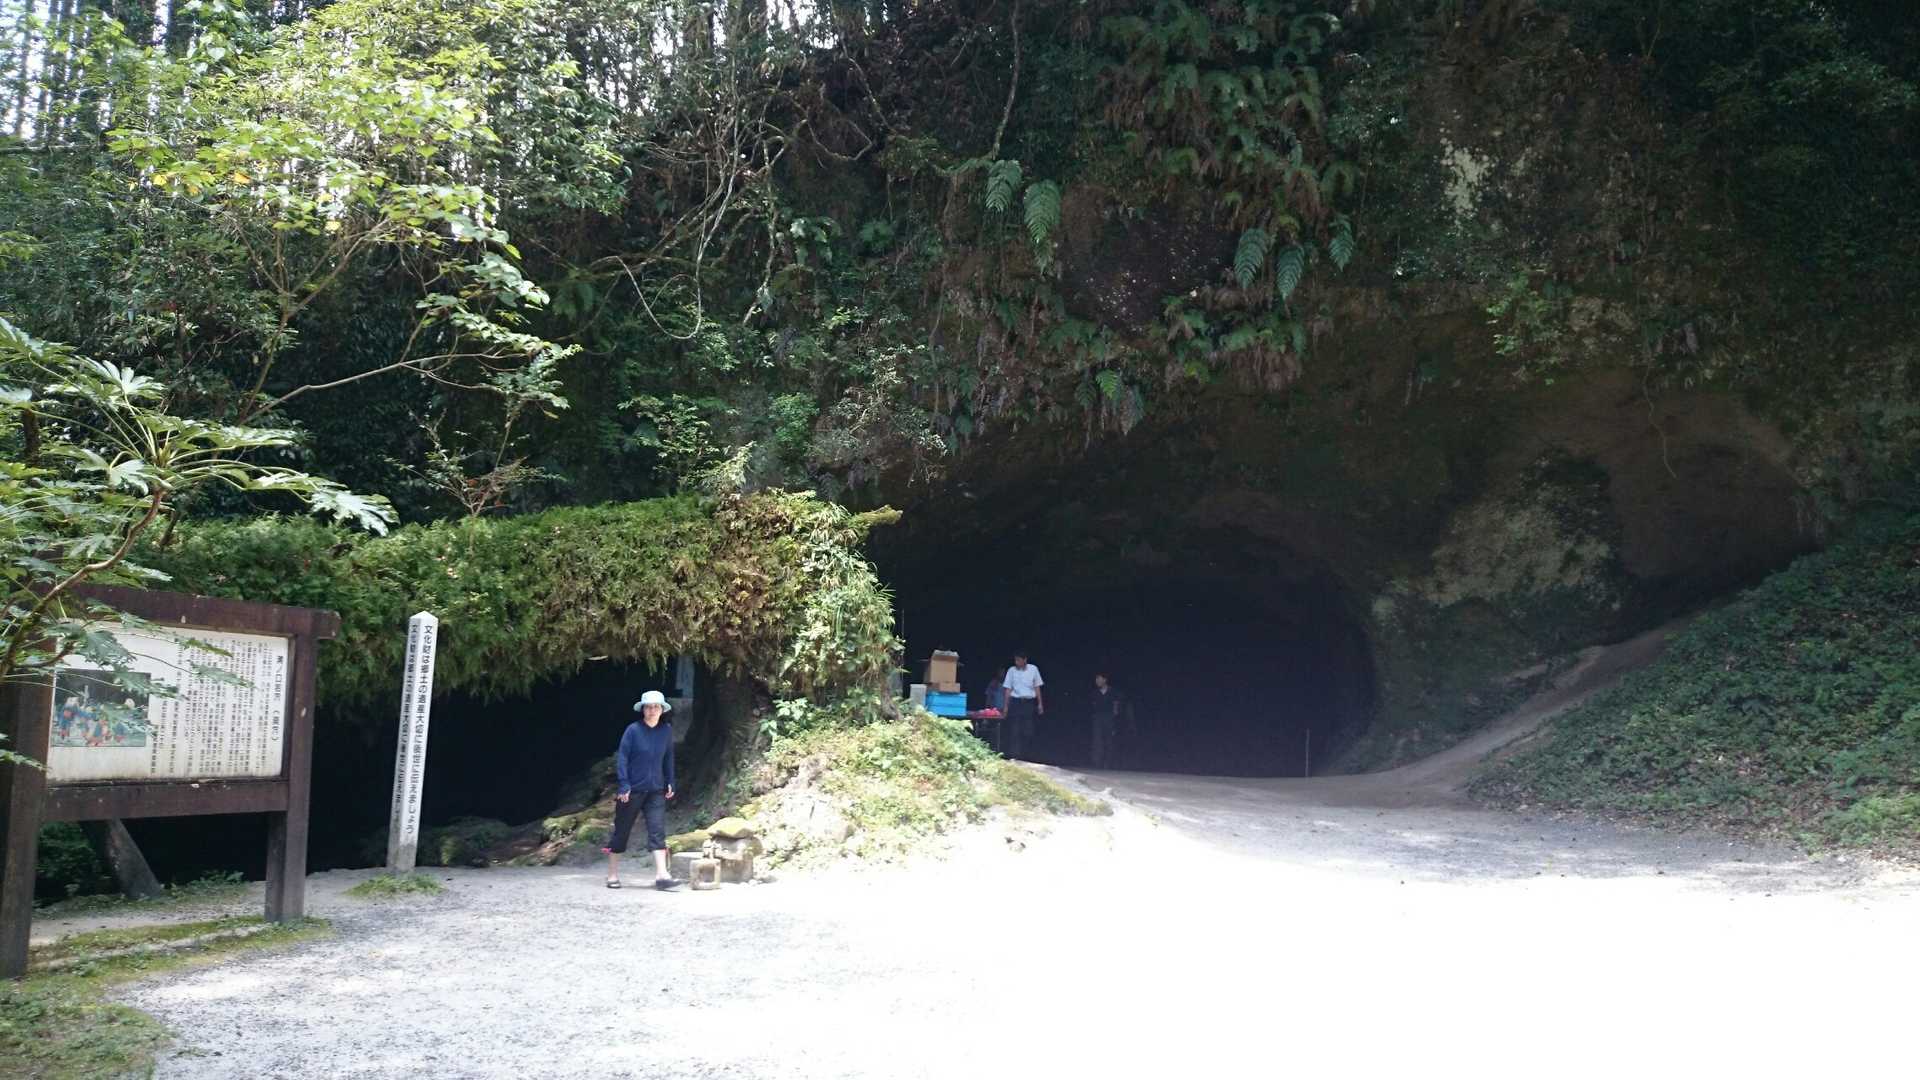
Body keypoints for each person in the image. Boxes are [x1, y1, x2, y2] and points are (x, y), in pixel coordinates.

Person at [604, 690, 682, 891]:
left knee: (657, 831)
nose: (652, 710)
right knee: (622, 830)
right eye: (648, 707)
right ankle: (612, 874)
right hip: (632, 790)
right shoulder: (633, 730)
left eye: (656, 707)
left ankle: (662, 875)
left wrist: (670, 781)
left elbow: (668, 758)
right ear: (643, 709)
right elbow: (622, 758)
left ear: (662, 710)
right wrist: (624, 784)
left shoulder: (666, 731)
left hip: (656, 790)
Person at [1000, 652, 1044, 758]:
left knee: (1028, 729)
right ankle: (1015, 754)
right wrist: (1005, 706)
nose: (1016, 662)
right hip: (1015, 702)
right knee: (1014, 728)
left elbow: (1037, 687)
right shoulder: (1011, 670)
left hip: (1028, 702)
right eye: (1015, 660)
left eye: (1019, 660)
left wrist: (1040, 704)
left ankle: (1027, 753)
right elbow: (1008, 689)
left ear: (1025, 660)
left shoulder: (1033, 669)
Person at [1088, 673, 1126, 768]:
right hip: (1097, 718)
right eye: (1096, 679)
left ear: (1105, 680)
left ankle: (1109, 763)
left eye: (1099, 679)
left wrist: (1116, 719)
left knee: (1109, 740)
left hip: (1110, 718)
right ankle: (1097, 763)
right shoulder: (1094, 693)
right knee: (1097, 740)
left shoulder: (1113, 692)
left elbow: (1117, 705)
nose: (1097, 681)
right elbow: (1092, 706)